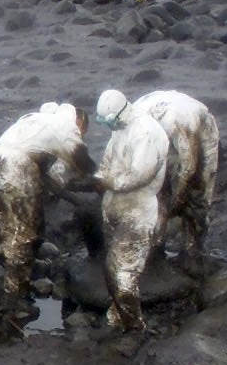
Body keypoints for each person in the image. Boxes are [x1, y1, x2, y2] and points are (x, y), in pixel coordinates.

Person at [0, 102, 93, 315]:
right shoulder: (67, 127)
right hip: (15, 171)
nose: (82, 134)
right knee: (23, 234)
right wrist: (102, 184)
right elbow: (82, 165)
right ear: (79, 121)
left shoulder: (35, 120)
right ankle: (14, 290)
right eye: (83, 130)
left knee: (17, 219)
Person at [93, 90, 169, 333]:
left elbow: (140, 175)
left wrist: (109, 182)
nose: (109, 126)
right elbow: (107, 162)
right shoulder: (119, 130)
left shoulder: (146, 132)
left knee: (125, 274)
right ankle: (118, 314)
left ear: (121, 112)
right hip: (114, 205)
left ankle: (134, 328)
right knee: (111, 265)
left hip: (137, 209)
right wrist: (98, 177)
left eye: (110, 120)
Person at [129, 90, 220, 266]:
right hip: (165, 131)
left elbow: (189, 167)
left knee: (198, 188)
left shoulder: (177, 123)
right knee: (157, 194)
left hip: (200, 129)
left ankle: (193, 248)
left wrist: (178, 197)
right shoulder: (134, 121)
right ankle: (156, 246)